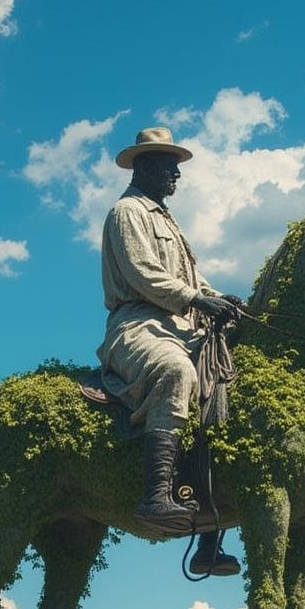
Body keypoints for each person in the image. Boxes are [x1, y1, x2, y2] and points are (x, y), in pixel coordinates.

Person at [97, 126, 241, 573]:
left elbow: (191, 282)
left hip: (179, 321)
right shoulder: (127, 213)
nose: (176, 175)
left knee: (231, 381)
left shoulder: (166, 220)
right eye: (167, 166)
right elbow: (144, 275)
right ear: (143, 166)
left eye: (177, 167)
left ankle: (209, 537)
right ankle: (156, 496)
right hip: (138, 323)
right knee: (176, 371)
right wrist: (198, 300)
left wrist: (222, 299)